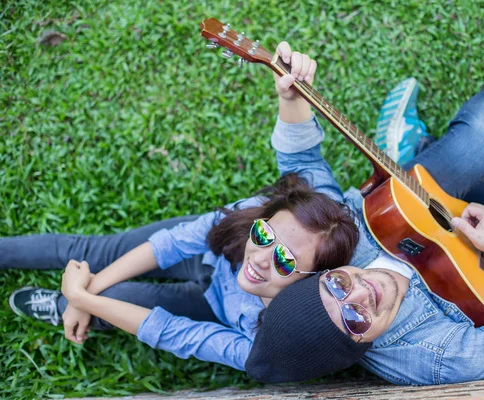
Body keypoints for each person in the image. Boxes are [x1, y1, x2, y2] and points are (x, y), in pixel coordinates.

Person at [244, 27, 484, 384]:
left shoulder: (328, 248)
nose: (363, 291)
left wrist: (291, 96)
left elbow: (303, 166)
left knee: (474, 146)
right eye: (354, 319)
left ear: (322, 273)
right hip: (471, 259)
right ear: (358, 349)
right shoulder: (430, 357)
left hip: (403, 201)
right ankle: (413, 146)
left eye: (339, 285)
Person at [5, 47, 360, 371]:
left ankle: (67, 307)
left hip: (209, 308)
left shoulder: (273, 343)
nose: (261, 258)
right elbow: (171, 244)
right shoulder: (256, 214)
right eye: (265, 235)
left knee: (112, 301)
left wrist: (81, 296)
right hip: (210, 253)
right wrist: (84, 293)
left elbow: (175, 333)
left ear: (312, 281)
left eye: (285, 260)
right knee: (91, 253)